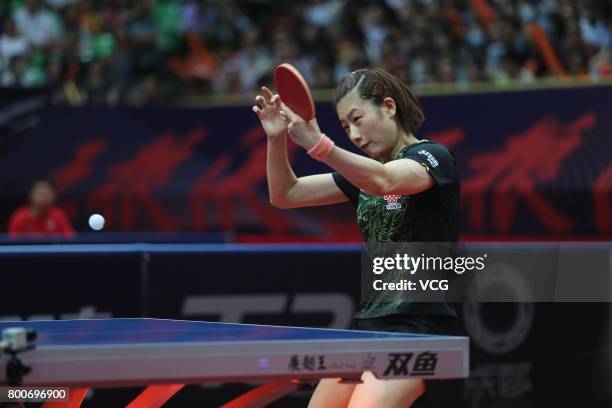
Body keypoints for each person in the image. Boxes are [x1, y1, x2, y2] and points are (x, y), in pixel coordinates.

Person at [253, 67, 460, 408]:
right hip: (369, 328)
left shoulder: (433, 157)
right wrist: (276, 138)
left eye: (358, 118)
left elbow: (386, 181)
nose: (354, 134)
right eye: (346, 126)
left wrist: (319, 145)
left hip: (419, 330)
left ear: (389, 107)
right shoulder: (361, 174)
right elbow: (286, 194)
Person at [8, 177, 75, 238]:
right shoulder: (19, 217)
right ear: (31, 195)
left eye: (47, 193)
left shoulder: (59, 215)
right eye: (40, 193)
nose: (43, 197)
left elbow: (70, 239)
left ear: (54, 196)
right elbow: (12, 244)